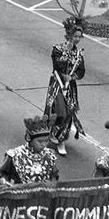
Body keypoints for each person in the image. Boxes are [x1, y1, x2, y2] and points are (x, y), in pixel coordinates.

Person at [44, 16, 86, 155]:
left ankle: (61, 140)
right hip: (57, 84)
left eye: (80, 37)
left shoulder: (79, 54)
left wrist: (72, 77)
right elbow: (57, 65)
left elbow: (82, 71)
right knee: (58, 112)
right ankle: (49, 133)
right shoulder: (57, 49)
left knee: (69, 114)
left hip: (70, 87)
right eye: (75, 36)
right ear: (69, 35)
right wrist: (66, 52)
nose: (77, 39)